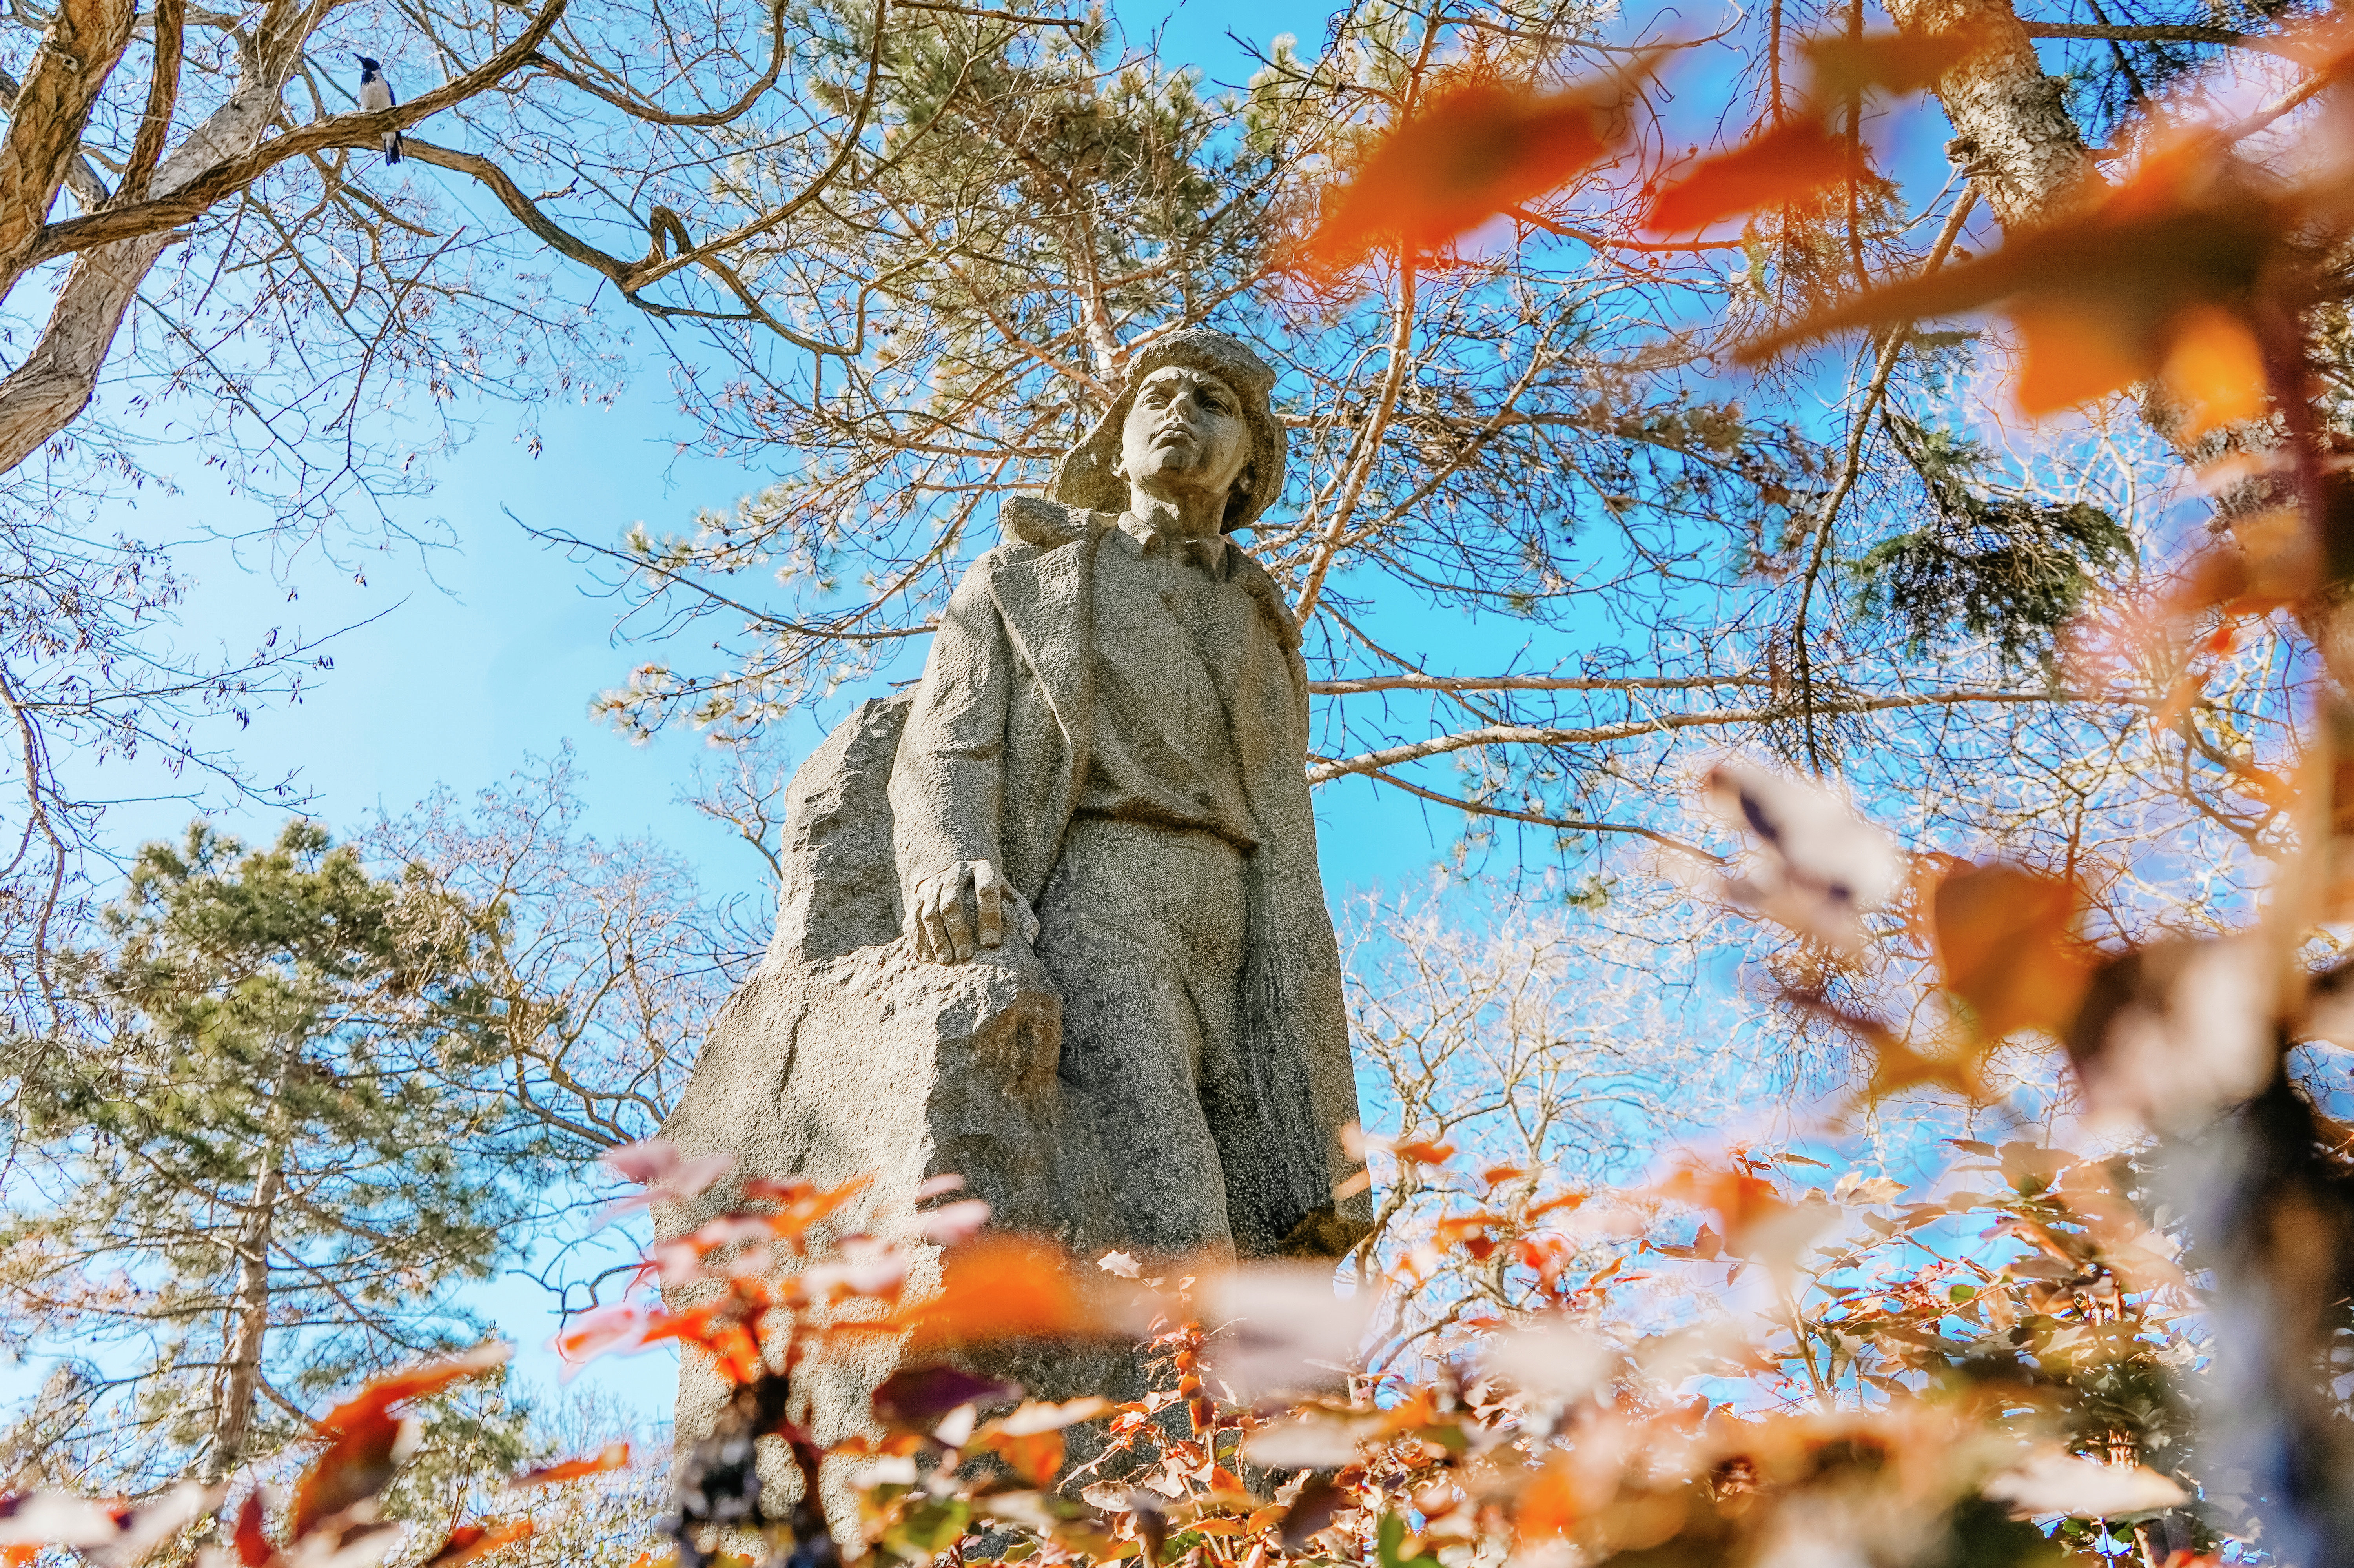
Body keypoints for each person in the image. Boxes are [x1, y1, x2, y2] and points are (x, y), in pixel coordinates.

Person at [887, 327, 1368, 1262]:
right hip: (1106, 894)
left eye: (1211, 403)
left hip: (1250, 924)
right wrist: (948, 858)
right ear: (1114, 448)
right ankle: (1181, 1397)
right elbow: (950, 738)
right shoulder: (1025, 576)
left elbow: (1281, 818)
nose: (1178, 412)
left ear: (1249, 466)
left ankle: (1267, 1404)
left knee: (1281, 1209)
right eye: (1156, 397)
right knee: (1169, 1172)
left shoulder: (1264, 624)